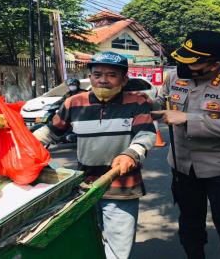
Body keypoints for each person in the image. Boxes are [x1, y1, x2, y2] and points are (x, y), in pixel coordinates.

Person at [33, 51, 156, 259]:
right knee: (87, 242)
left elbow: (145, 134)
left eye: (111, 75)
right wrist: (24, 146)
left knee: (118, 248)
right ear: (90, 77)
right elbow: (50, 132)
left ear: (124, 79)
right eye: (97, 74)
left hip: (121, 187)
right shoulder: (74, 103)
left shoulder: (137, 102)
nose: (103, 80)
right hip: (83, 188)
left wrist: (131, 154)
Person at [152, 30, 220, 259]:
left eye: (192, 63)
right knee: (189, 222)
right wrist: (139, 101)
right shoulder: (174, 78)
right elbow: (160, 105)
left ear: (214, 64)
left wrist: (188, 119)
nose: (184, 66)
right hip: (182, 167)